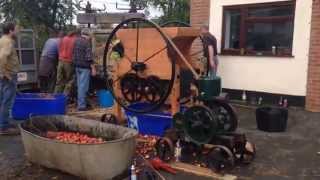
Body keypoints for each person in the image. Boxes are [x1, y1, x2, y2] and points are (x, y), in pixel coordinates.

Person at [0, 22, 20, 135]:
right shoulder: (8, 42)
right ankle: (3, 127)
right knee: (7, 101)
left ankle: (4, 122)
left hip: (4, 75)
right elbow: (2, 57)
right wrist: (6, 74)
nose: (17, 31)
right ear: (11, 31)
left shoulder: (2, 39)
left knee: (2, 100)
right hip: (8, 75)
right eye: (16, 29)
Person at [73, 28, 96, 111]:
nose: (90, 38)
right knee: (83, 87)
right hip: (84, 68)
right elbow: (89, 57)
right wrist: (93, 68)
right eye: (90, 36)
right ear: (88, 35)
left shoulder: (76, 41)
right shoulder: (86, 43)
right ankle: (82, 106)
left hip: (77, 66)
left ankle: (81, 103)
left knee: (80, 86)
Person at [54, 30, 79, 96]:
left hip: (60, 61)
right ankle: (64, 97)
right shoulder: (75, 40)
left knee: (59, 81)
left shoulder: (63, 39)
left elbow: (59, 49)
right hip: (68, 62)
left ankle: (56, 97)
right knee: (70, 80)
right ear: (75, 34)